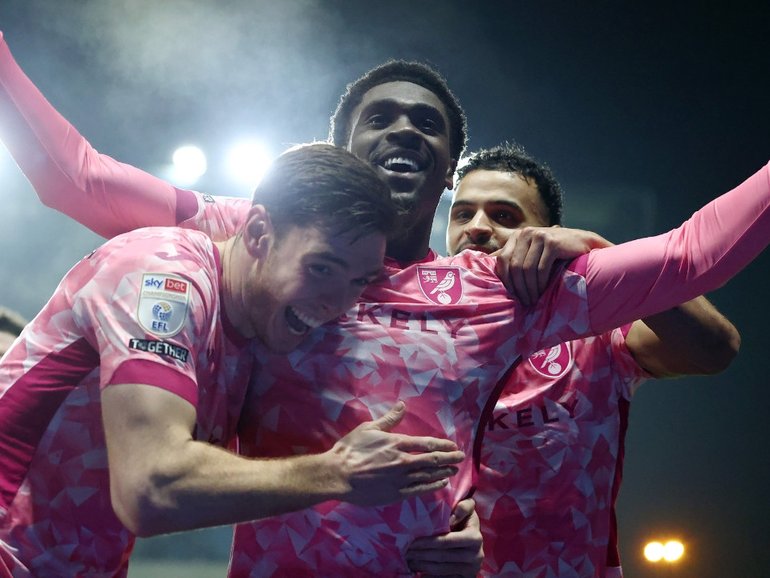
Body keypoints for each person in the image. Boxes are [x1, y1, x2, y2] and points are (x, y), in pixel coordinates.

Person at [1, 32, 769, 576]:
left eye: (427, 124)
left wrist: (467, 523)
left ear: (447, 170)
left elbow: (691, 256)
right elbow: (81, 179)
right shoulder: (255, 234)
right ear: (338, 150)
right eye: (381, 117)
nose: (404, 130)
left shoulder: (496, 289)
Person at [0, 142, 467, 577]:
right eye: (321, 268)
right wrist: (337, 472)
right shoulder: (163, 276)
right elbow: (150, 489)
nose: (336, 304)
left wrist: (458, 514)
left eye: (359, 281)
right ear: (259, 233)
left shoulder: (260, 316)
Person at [445, 142, 740, 577]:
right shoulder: (410, 333)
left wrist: (601, 255)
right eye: (463, 214)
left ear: (549, 234)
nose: (477, 228)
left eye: (504, 215)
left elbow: (714, 349)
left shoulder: (594, 329)